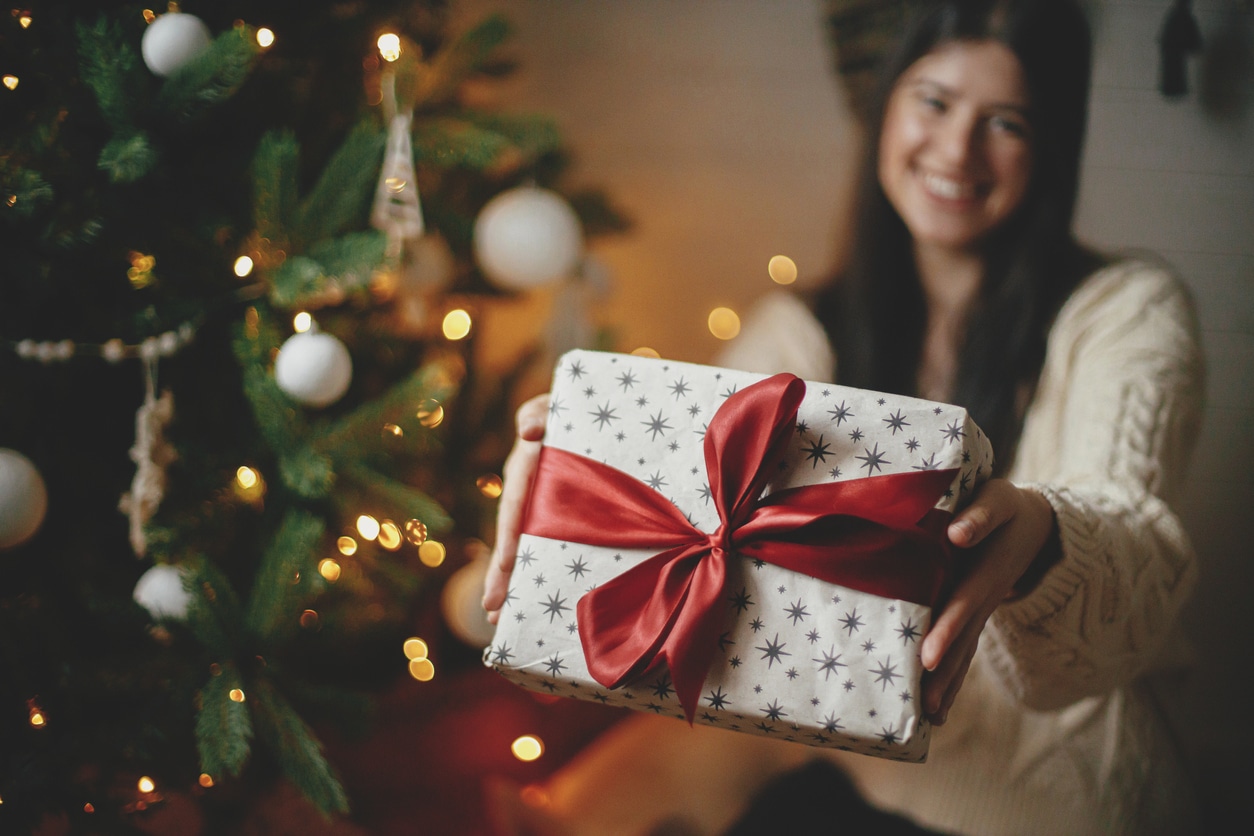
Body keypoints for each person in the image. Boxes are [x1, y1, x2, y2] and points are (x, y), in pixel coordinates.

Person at [481, 0, 1206, 833]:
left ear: (1053, 145)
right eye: (934, 101)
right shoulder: (797, 330)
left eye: (1005, 122)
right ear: (886, 102)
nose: (957, 150)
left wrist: (1045, 539)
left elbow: (1138, 542)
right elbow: (681, 520)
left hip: (1060, 804)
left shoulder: (1125, 313)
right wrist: (566, 482)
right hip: (844, 777)